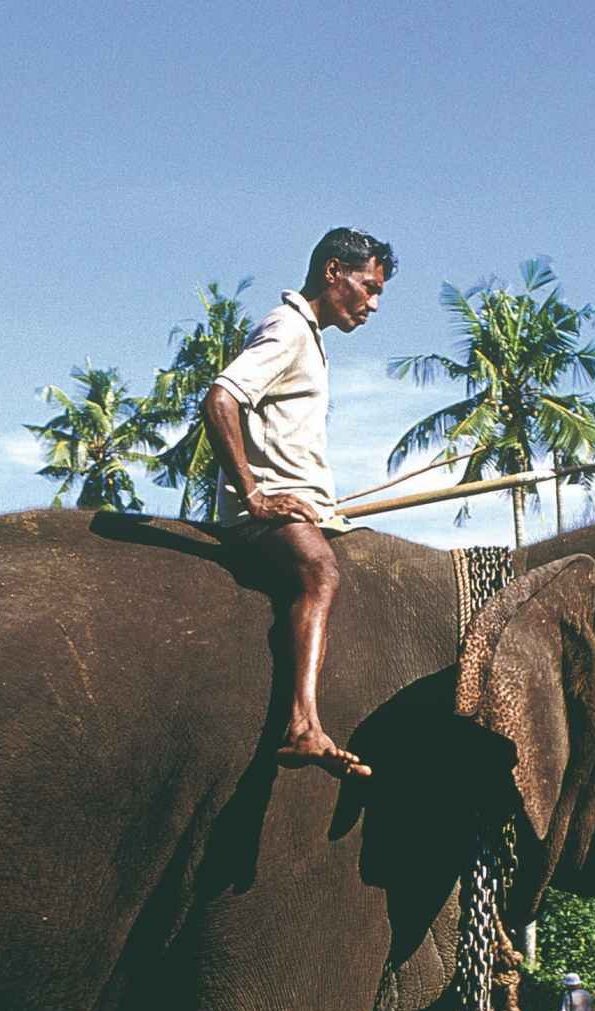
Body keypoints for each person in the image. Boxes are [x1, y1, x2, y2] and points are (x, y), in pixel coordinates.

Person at [201, 226, 393, 779]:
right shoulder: (287, 328)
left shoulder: (311, 339)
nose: (373, 304)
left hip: (302, 508)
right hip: (262, 521)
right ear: (333, 272)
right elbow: (220, 400)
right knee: (320, 571)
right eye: (368, 286)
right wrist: (254, 496)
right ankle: (302, 724)